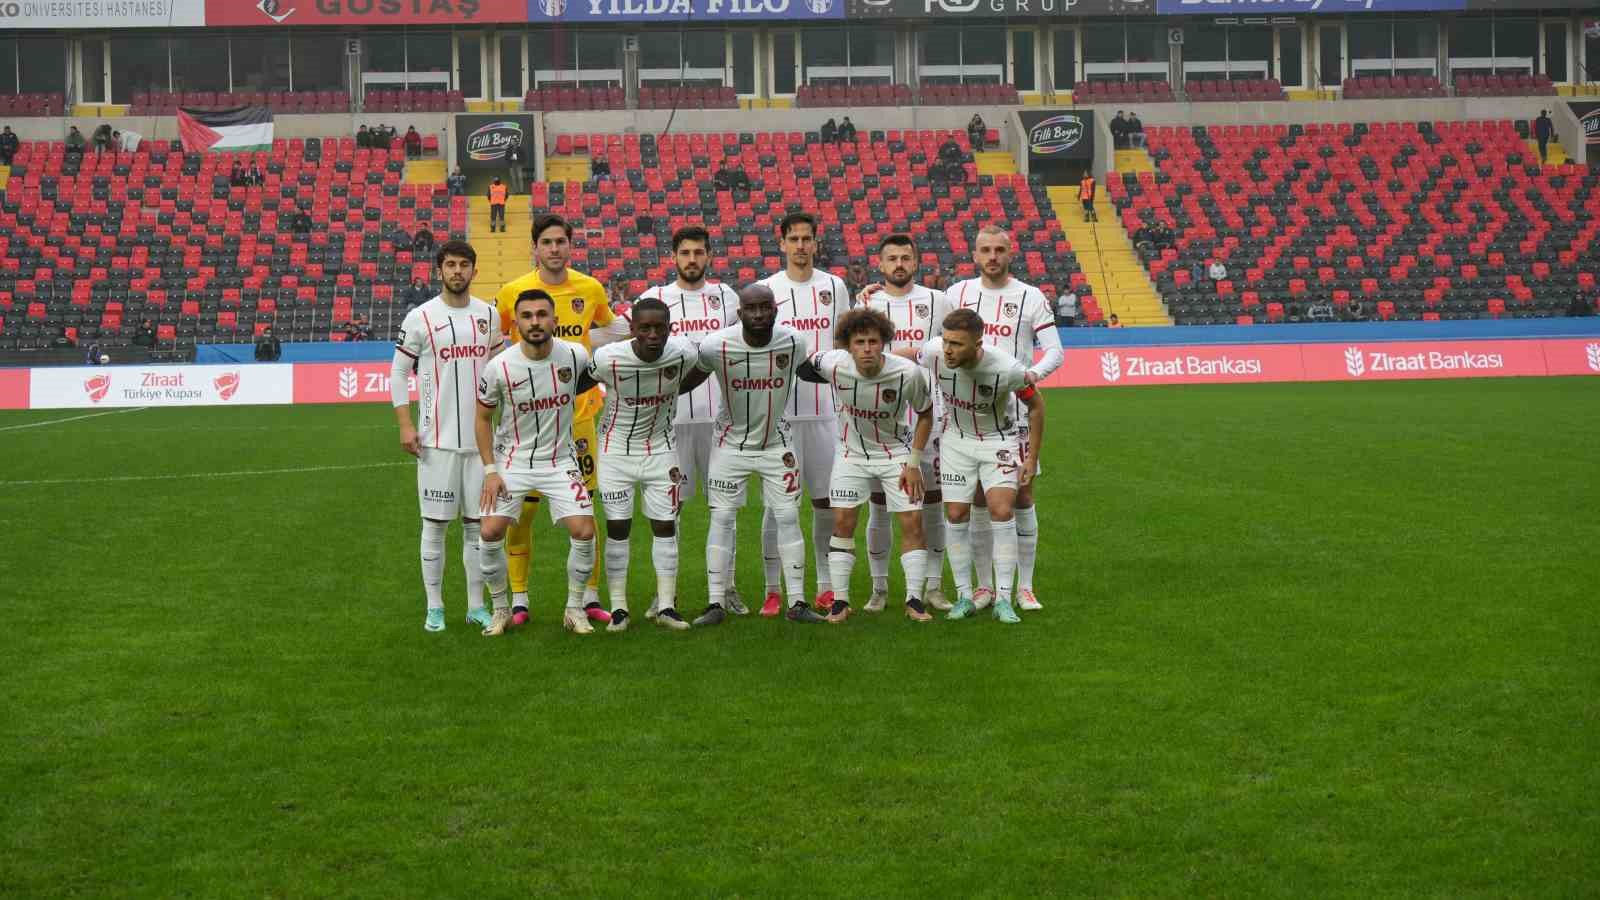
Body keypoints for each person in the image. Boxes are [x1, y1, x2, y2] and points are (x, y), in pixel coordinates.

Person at [494, 212, 629, 626]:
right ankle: (519, 599)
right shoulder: (512, 293)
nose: (554, 249)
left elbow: (611, 330)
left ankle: (587, 597)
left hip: (580, 417)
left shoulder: (589, 288)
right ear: (535, 248)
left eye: (561, 242)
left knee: (586, 510)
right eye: (547, 242)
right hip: (527, 425)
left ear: (570, 246)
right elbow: (500, 346)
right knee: (522, 513)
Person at [944, 225, 1064, 612]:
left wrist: (1030, 377)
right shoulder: (957, 294)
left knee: (1022, 496)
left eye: (999, 250)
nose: (992, 256)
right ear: (974, 254)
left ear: (1010, 253)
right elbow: (935, 337)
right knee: (977, 499)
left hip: (1016, 416)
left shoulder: (1030, 297)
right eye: (985, 250)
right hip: (968, 417)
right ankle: (983, 587)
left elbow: (1054, 352)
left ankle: (1024, 588)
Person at [689, 284, 825, 626]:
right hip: (728, 446)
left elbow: (813, 370)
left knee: (789, 517)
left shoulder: (793, 342)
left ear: (776, 309)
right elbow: (687, 379)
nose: (759, 314)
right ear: (740, 313)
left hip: (776, 444)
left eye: (765, 307)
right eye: (752, 308)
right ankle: (715, 602)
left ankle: (796, 602)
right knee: (721, 519)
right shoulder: (714, 345)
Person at [796, 308, 937, 623]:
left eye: (874, 341)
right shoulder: (832, 363)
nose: (867, 348)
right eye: (859, 342)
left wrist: (913, 462)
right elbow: (801, 363)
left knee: (913, 523)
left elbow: (926, 414)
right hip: (851, 454)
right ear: (848, 345)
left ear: (884, 342)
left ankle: (914, 600)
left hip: (896, 455)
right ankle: (840, 601)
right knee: (843, 522)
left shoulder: (907, 373)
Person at [476, 290, 602, 636]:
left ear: (555, 320)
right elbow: (483, 419)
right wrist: (490, 471)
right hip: (511, 462)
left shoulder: (575, 355)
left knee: (585, 531)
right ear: (515, 323)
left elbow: (598, 376)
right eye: (527, 316)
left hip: (560, 460)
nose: (535, 322)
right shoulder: (498, 367)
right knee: (489, 532)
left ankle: (574, 609)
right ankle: (501, 608)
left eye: (542, 314)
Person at [391, 240, 501, 633]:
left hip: (480, 445)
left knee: (477, 528)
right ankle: (435, 607)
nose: (457, 271)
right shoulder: (420, 317)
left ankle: (475, 606)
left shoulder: (490, 315)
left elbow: (499, 373)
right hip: (435, 442)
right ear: (440, 270)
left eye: (464, 265)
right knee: (435, 527)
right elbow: (398, 373)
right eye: (450, 265)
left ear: (474, 270)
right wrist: (406, 424)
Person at [909, 307, 1044, 624]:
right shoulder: (934, 353)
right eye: (946, 341)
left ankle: (1004, 598)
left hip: (998, 442)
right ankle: (965, 596)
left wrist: (1031, 457)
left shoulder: (1008, 369)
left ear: (978, 343)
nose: (948, 350)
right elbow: (907, 353)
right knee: (955, 514)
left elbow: (1036, 407)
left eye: (957, 344)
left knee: (1001, 511)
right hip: (956, 442)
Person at [636, 225, 746, 612]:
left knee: (724, 507)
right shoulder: (655, 299)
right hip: (671, 423)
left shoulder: (727, 297)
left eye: (699, 252)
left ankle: (727, 587)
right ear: (674, 256)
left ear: (709, 255)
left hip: (722, 421)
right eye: (685, 253)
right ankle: (666, 593)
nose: (692, 260)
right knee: (669, 509)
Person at [586, 298, 713, 632]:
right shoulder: (608, 358)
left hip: (661, 450)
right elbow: (578, 383)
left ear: (670, 329)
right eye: (645, 328)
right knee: (618, 529)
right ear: (632, 330)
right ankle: (619, 608)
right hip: (615, 454)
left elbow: (706, 364)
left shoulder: (682, 352)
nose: (653, 334)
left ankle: (667, 607)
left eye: (660, 328)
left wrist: (675, 388)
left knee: (665, 526)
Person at [758, 212, 854, 615]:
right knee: (775, 506)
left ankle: (826, 584)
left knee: (823, 501)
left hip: (825, 411)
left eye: (807, 239)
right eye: (793, 239)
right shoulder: (765, 290)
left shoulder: (835, 286)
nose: (800, 246)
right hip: (778, 415)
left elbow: (844, 344)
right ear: (781, 244)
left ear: (816, 243)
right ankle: (772, 589)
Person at [855, 234, 953, 611]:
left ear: (916, 262)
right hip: (881, 418)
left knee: (931, 501)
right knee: (879, 503)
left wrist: (909, 352)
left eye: (905, 258)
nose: (899, 264)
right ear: (880, 264)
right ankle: (879, 588)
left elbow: (952, 347)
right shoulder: (867, 302)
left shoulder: (938, 301)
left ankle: (933, 586)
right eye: (892, 258)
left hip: (932, 415)